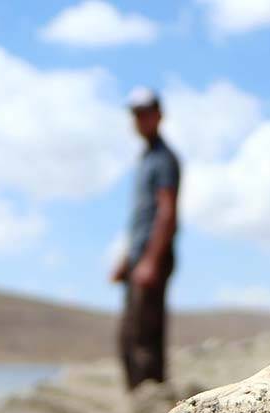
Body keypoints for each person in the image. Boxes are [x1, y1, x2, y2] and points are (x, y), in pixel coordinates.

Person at [110, 87, 181, 391]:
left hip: (153, 257)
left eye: (145, 113)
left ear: (158, 115)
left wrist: (151, 260)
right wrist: (128, 260)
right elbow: (142, 219)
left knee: (143, 340)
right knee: (130, 336)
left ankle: (149, 408)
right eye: (136, 115)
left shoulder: (164, 159)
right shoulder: (146, 159)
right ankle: (140, 403)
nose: (140, 120)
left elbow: (166, 213)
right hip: (140, 257)